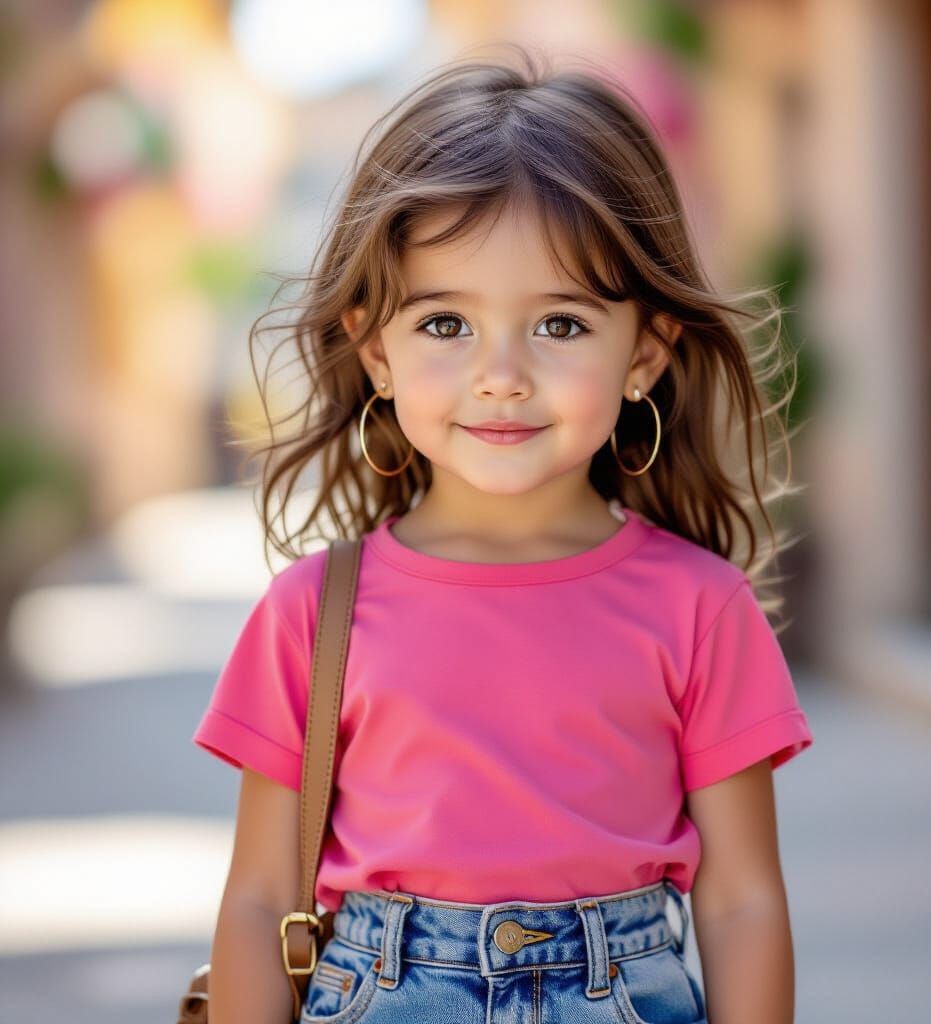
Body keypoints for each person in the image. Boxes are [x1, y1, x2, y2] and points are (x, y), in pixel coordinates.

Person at [192, 45, 814, 1024]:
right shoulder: (314, 612)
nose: (502, 375)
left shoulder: (701, 607)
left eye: (559, 326)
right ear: (374, 348)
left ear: (644, 352)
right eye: (446, 324)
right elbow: (261, 897)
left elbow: (741, 900)